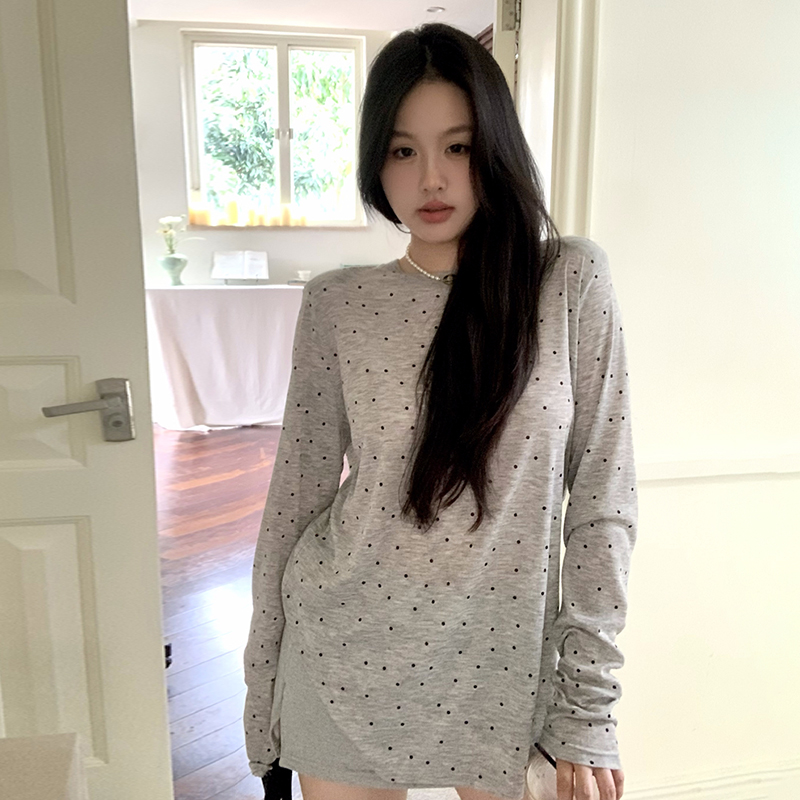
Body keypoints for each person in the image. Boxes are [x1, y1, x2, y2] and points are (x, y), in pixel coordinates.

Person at [244, 22, 637, 800]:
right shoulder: (338, 303)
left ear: (496, 148)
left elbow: (603, 503)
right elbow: (295, 500)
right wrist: (262, 692)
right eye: (402, 150)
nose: (431, 178)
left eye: (458, 146)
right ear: (374, 161)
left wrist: (588, 707)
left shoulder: (569, 282)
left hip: (506, 672)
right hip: (342, 655)